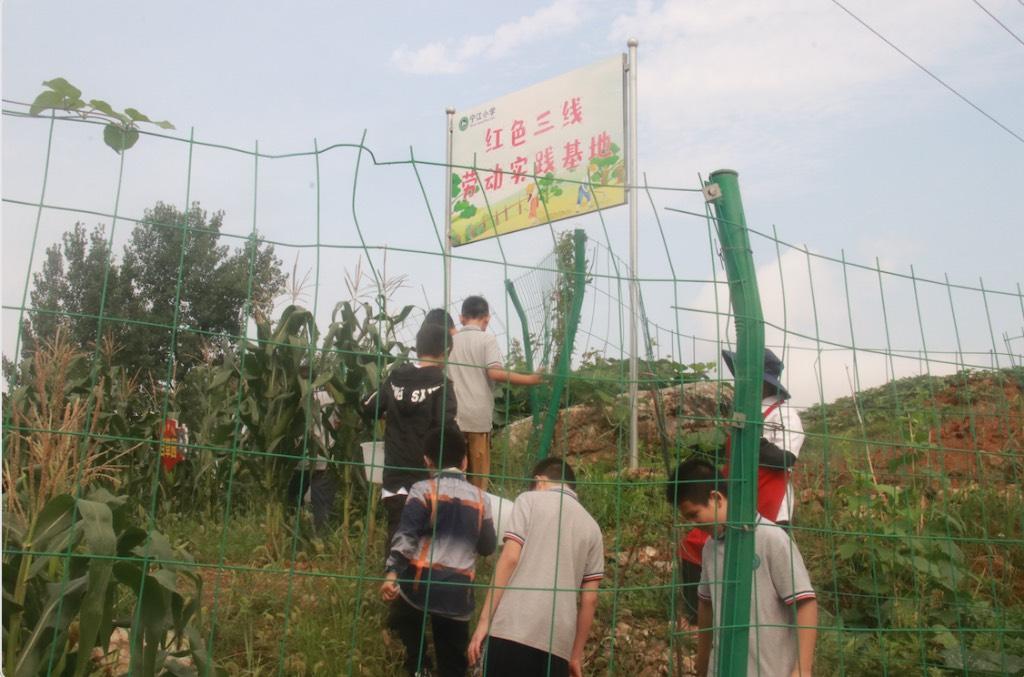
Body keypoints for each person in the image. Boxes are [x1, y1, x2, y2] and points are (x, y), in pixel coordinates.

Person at [678, 348, 805, 625]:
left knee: (764, 565)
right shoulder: (745, 411)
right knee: (695, 545)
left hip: (771, 503)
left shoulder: (784, 415)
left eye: (745, 375)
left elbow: (784, 459)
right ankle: (696, 617)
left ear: (762, 381)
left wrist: (752, 437)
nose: (740, 381)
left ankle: (766, 621)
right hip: (737, 496)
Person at [667, 458, 817, 677]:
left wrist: (802, 669)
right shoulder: (710, 547)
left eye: (694, 515)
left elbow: (805, 603)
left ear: (716, 498)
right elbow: (705, 604)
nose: (693, 523)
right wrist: (703, 663)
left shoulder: (771, 538)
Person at [467, 458, 604, 677]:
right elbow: (590, 599)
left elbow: (510, 558)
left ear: (539, 481)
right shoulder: (593, 528)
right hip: (558, 644)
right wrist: (575, 655)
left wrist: (484, 622)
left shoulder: (529, 500)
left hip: (512, 630)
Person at [381, 427, 497, 677]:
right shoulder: (481, 499)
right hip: (458, 593)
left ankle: (419, 664)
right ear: (465, 461)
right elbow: (488, 546)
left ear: (427, 461)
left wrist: (392, 573)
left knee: (402, 616)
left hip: (420, 585)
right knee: (453, 661)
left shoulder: (423, 490)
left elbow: (407, 536)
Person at [364, 322, 459, 554]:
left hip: (394, 476)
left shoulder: (396, 377)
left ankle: (392, 582)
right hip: (426, 477)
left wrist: (387, 411)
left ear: (417, 348)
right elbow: (447, 430)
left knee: (396, 532)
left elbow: (368, 406)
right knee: (426, 540)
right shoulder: (442, 384)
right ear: (446, 352)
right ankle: (417, 587)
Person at [447, 295, 542, 491]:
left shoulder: (451, 341)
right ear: (487, 319)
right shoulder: (487, 339)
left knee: (452, 476)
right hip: (478, 419)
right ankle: (477, 514)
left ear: (461, 318)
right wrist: (530, 380)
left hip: (453, 417)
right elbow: (495, 372)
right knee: (479, 480)